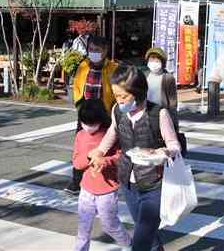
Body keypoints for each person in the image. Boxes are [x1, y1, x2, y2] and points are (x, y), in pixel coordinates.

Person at [88, 65, 181, 251]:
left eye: (124, 96)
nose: (119, 101)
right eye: (116, 96)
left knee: (140, 241)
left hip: (153, 184)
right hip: (128, 183)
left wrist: (162, 153)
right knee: (149, 235)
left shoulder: (158, 114)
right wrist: (99, 152)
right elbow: (112, 134)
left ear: (138, 93)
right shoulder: (117, 111)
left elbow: (175, 146)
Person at [73, 99, 131, 251]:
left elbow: (120, 156)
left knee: (110, 224)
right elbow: (77, 163)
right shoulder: (80, 135)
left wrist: (104, 161)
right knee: (83, 228)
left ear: (100, 120)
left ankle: (127, 244)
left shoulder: (109, 135)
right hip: (86, 189)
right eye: (85, 123)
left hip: (107, 189)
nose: (88, 127)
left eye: (92, 123)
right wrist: (89, 156)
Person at [64, 36, 119, 195]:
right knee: (81, 147)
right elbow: (76, 87)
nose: (93, 53)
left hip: (104, 114)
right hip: (86, 114)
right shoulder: (83, 66)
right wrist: (79, 106)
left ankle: (107, 179)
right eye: (91, 50)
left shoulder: (113, 68)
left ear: (105, 51)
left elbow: (116, 91)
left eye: (97, 50)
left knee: (107, 147)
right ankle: (76, 181)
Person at [144, 47, 178, 127]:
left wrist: (174, 121)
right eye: (151, 61)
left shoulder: (168, 78)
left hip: (161, 114)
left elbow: (172, 101)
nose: (154, 63)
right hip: (146, 113)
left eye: (157, 61)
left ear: (162, 63)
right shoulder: (144, 75)